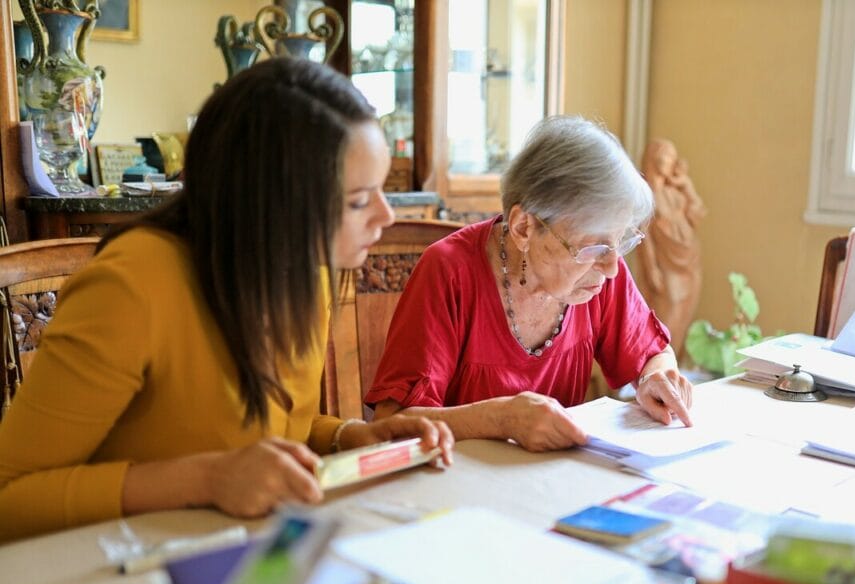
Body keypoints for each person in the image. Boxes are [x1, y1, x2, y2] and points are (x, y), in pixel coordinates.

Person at [0, 59, 453, 544]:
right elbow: (9, 497)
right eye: (360, 200)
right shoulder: (132, 288)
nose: (384, 217)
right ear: (273, 202)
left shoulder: (306, 268)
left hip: (237, 557)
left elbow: (268, 432)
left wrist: (347, 438)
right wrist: (206, 479)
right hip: (111, 574)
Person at [366, 116, 693, 452]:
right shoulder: (450, 271)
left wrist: (655, 375)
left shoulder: (598, 268)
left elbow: (653, 353)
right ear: (523, 227)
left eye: (621, 241)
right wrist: (501, 419)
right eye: (591, 247)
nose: (611, 268)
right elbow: (394, 425)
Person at [635, 139, 707, 360]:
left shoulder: (674, 194)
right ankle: (656, 365)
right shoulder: (646, 196)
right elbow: (643, 236)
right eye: (667, 157)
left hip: (689, 263)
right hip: (666, 266)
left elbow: (699, 213)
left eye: (673, 158)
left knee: (683, 318)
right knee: (667, 318)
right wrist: (652, 268)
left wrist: (687, 186)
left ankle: (671, 367)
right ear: (655, 160)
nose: (671, 162)